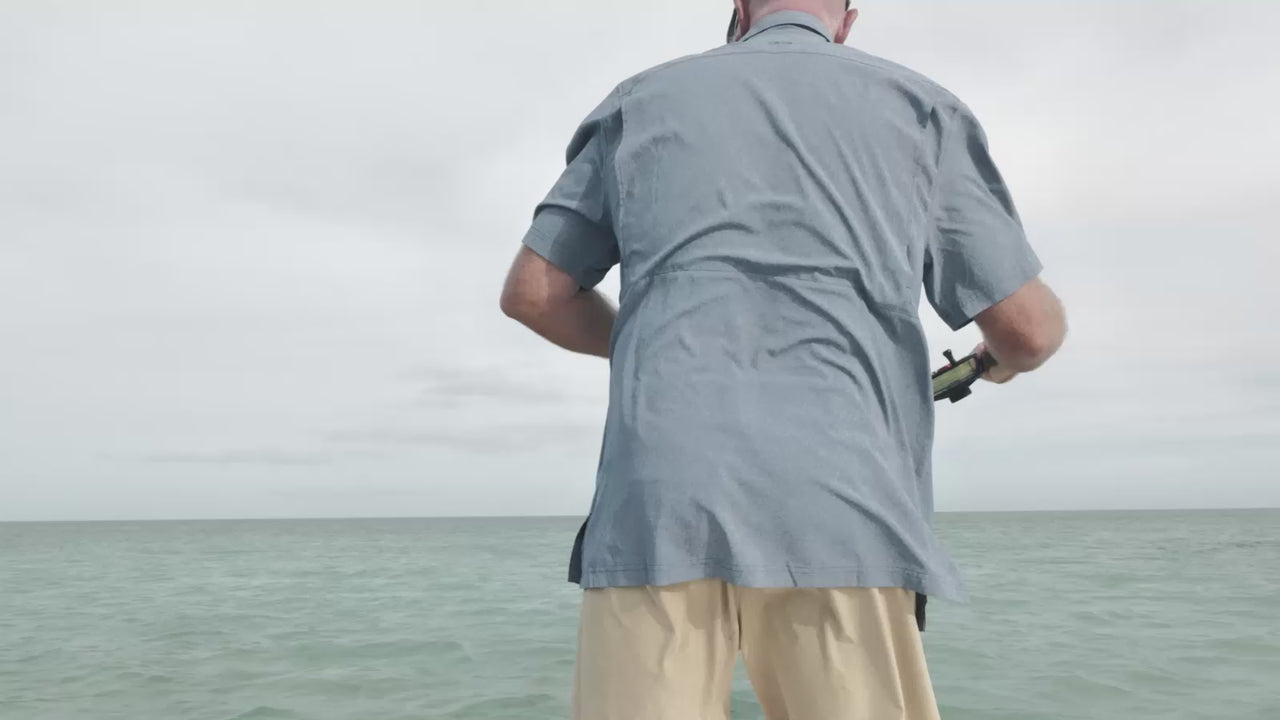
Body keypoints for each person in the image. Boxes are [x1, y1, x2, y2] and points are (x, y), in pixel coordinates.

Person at [500, 0, 1067, 717]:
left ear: (738, 10)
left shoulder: (637, 103)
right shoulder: (923, 110)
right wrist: (999, 362)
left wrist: (662, 343)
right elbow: (1030, 331)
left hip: (659, 504)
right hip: (843, 508)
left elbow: (534, 295)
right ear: (848, 20)